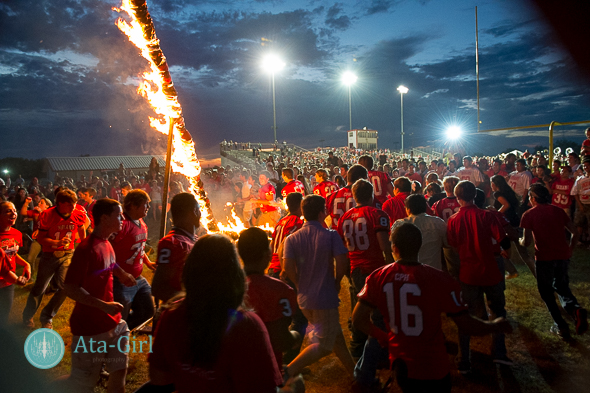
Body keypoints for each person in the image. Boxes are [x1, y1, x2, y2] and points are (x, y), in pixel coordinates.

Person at [352, 222, 512, 393]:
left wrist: (384, 337)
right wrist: (494, 325)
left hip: (402, 364)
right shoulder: (439, 279)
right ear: (419, 246)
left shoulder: (378, 277)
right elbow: (466, 324)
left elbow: (358, 319)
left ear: (395, 248)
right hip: (433, 365)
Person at [147, 234, 283, 392]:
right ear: (235, 273)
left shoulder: (171, 316)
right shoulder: (247, 326)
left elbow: (159, 378)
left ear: (189, 270)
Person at [59, 198, 136, 393]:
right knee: (81, 385)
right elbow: (70, 287)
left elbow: (110, 263)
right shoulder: (86, 249)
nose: (122, 219)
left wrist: (123, 274)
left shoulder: (106, 243)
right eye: (118, 215)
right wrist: (104, 306)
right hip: (90, 329)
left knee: (119, 372)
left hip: (115, 324)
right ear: (104, 218)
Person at [282, 194, 356, 380]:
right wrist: (337, 281)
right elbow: (342, 262)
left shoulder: (291, 239)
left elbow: (287, 268)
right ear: (322, 212)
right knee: (324, 344)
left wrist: (298, 283)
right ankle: (286, 372)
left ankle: (357, 376)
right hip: (324, 297)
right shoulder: (330, 235)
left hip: (305, 298)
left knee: (335, 337)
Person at [447, 181, 513, 373]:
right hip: (491, 270)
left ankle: (464, 359)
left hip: (468, 273)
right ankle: (499, 354)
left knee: (465, 316)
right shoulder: (487, 215)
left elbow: (452, 244)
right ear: (474, 196)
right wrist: (506, 251)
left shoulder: (453, 219)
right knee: (498, 311)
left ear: (458, 198)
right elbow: (503, 239)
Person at [337, 179, 393, 379]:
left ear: (354, 196)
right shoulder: (377, 214)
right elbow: (384, 246)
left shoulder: (345, 217)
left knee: (358, 311)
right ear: (372, 195)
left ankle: (358, 349)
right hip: (375, 269)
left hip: (356, 268)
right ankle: (372, 358)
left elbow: (342, 246)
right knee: (379, 316)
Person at [520, 184, 588, 339]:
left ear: (534, 198)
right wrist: (570, 248)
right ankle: (575, 309)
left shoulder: (529, 214)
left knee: (546, 292)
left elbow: (527, 242)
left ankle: (561, 326)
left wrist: (520, 240)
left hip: (544, 258)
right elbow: (574, 232)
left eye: (530, 196)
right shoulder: (558, 210)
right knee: (562, 286)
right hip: (563, 255)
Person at [22, 189, 88, 329]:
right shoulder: (47, 215)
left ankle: (47, 316)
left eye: (75, 204)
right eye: (70, 204)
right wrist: (56, 243)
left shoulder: (78, 212)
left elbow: (81, 228)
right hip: (50, 255)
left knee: (67, 287)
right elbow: (41, 238)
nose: (73, 207)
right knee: (40, 287)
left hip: (68, 253)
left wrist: (84, 245)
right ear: (60, 204)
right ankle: (27, 316)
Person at [237, 227, 300, 367]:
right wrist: (296, 336)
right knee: (297, 384)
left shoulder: (230, 288)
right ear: (268, 254)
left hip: (237, 368)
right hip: (267, 369)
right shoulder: (281, 290)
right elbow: (280, 339)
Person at [110, 189, 156, 331]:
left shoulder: (141, 223)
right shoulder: (122, 224)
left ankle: (124, 332)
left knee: (148, 311)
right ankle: (114, 337)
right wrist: (120, 274)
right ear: (133, 206)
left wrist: (147, 262)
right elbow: (106, 251)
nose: (148, 207)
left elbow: (139, 246)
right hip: (121, 280)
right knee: (118, 317)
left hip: (138, 278)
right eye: (145, 204)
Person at [151, 193, 201, 304]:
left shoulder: (194, 240)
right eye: (199, 209)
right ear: (194, 211)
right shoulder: (172, 243)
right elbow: (158, 288)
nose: (201, 214)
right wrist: (188, 302)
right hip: (180, 316)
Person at [391, 194, 448, 271]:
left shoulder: (399, 224)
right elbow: (447, 244)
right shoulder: (438, 222)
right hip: (433, 271)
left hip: (408, 273)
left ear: (408, 209)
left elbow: (392, 248)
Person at [0, 201, 31, 325]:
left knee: (4, 316)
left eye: (14, 210)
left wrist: (26, 264)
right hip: (8, 278)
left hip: (8, 284)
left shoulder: (16, 234)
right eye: (8, 211)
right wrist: (16, 279)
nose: (13, 213)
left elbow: (12, 253)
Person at [269, 193, 304, 277]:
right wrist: (284, 268)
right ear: (301, 205)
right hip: (284, 269)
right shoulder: (296, 222)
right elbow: (284, 243)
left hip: (273, 267)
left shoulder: (281, 221)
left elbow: (272, 244)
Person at [326, 164, 368, 229]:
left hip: (337, 235)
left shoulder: (332, 196)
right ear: (360, 179)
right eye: (365, 179)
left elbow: (321, 216)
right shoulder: (363, 195)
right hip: (356, 234)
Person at [571, 157, 590, 243]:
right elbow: (575, 193)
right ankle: (578, 240)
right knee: (579, 223)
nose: (586, 167)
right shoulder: (580, 179)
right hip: (581, 204)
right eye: (585, 166)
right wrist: (580, 205)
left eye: (588, 165)